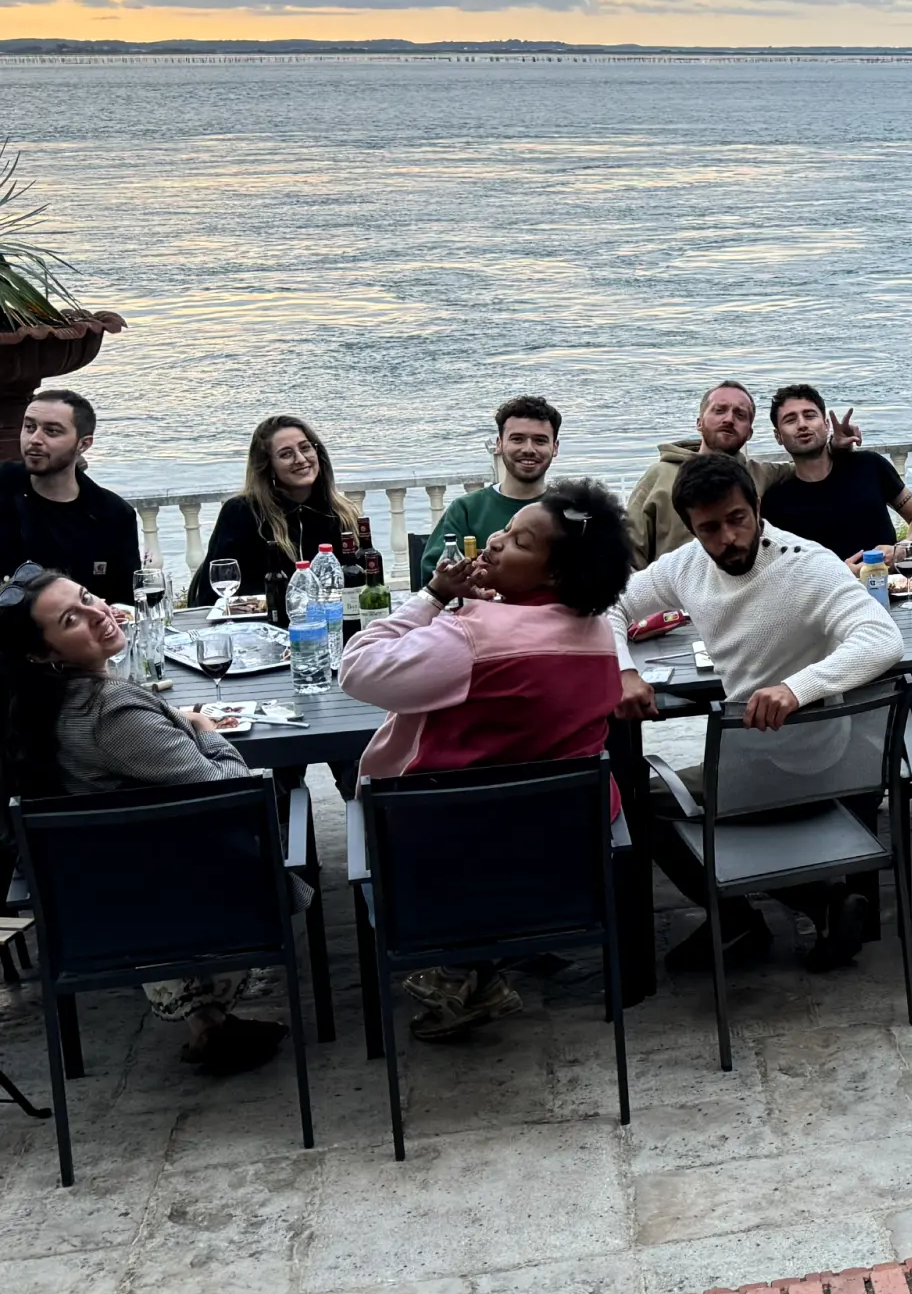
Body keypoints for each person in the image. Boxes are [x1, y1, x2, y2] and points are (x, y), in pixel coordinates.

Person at [339, 480, 638, 1040]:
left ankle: (455, 967)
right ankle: (473, 973)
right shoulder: (600, 634)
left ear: (554, 575)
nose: (496, 542)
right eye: (505, 528)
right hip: (561, 870)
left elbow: (356, 669)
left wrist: (430, 597)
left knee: (369, 825)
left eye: (520, 542)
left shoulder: (469, 639)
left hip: (438, 877)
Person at [612, 451, 905, 972]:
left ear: (758, 507)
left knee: (633, 797)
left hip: (798, 769)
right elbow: (611, 603)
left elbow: (882, 639)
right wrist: (623, 672)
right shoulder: (688, 566)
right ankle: (820, 904)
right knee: (678, 783)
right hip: (764, 761)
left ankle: (739, 917)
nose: (727, 538)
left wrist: (797, 687)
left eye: (737, 519)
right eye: (709, 529)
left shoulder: (806, 564)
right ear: (691, 528)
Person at [0, 562, 286, 1074]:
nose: (97, 613)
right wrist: (201, 728)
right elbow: (232, 790)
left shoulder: (38, 709)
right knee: (281, 799)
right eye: (71, 620)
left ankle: (209, 1025)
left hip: (95, 902)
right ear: (43, 654)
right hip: (177, 903)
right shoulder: (111, 715)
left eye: (87, 597)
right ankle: (211, 1017)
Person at [188, 415, 369, 606]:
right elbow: (212, 593)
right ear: (269, 467)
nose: (300, 459)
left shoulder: (340, 512)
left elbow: (366, 582)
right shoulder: (242, 512)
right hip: (259, 626)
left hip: (333, 625)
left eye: (305, 447)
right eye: (286, 454)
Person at [759, 385, 912, 565]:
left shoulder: (869, 466)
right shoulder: (776, 502)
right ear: (778, 436)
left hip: (889, 587)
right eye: (790, 420)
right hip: (824, 592)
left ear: (826, 425)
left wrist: (902, 548)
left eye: (810, 415)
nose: (802, 424)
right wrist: (842, 575)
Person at [0, 390, 141, 606]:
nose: (35, 439)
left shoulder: (113, 514)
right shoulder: (4, 488)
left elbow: (124, 604)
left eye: (52, 431)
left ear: (83, 444)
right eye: (29, 427)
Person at [626, 382, 787, 568]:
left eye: (740, 415)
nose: (728, 419)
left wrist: (829, 447)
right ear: (699, 422)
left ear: (749, 432)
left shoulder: (760, 474)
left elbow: (808, 466)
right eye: (719, 410)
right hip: (669, 591)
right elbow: (630, 548)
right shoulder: (660, 475)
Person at [417, 395, 564, 571]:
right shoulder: (466, 510)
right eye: (517, 439)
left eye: (540, 441)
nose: (528, 449)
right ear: (499, 444)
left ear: (555, 447)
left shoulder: (569, 510)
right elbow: (433, 575)